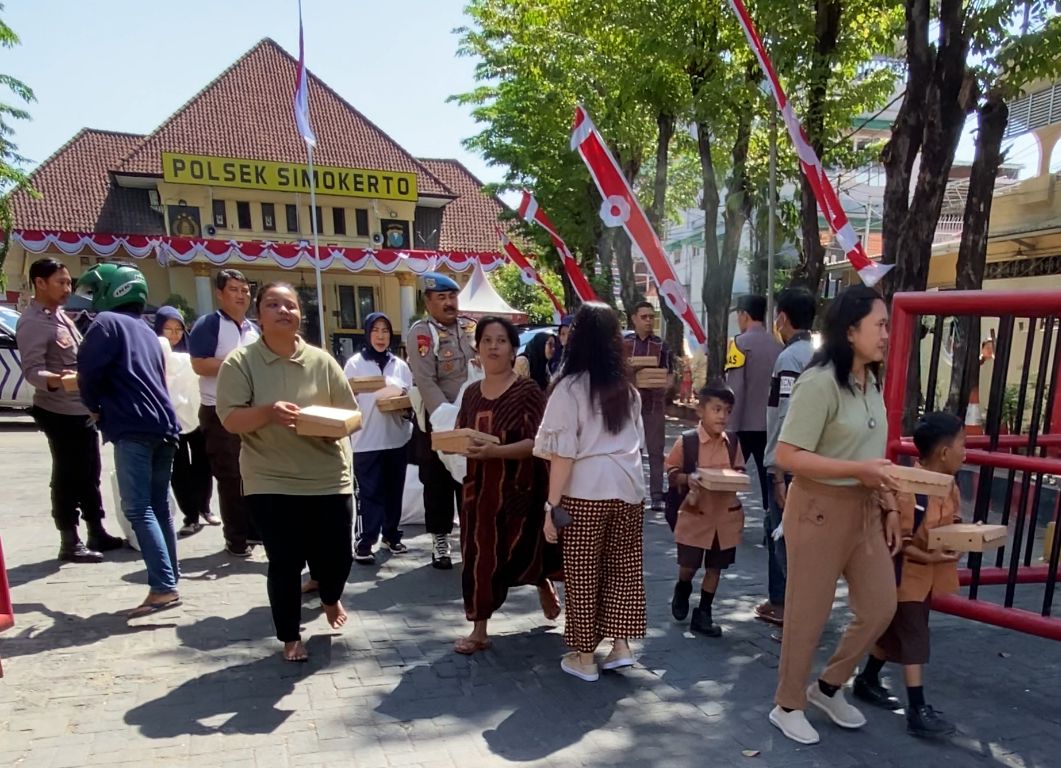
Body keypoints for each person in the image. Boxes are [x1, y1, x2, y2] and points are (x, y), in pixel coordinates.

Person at [767, 285, 902, 746]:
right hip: (819, 508)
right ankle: (787, 705)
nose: (887, 334)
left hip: (864, 509)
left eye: (888, 325)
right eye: (880, 325)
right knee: (808, 614)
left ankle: (827, 686)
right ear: (850, 330)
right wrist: (859, 472)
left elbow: (871, 450)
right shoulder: (819, 381)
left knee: (881, 605)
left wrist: (884, 503)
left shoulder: (871, 381)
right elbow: (787, 454)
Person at [216, 283, 358, 663]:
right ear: (258, 314)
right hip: (271, 479)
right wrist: (268, 412)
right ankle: (290, 635)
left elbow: (350, 414)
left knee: (338, 556)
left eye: (290, 305)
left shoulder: (322, 361)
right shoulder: (241, 362)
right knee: (285, 559)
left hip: (328, 475)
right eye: (273, 304)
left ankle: (330, 596)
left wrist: (325, 424)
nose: (283, 310)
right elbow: (229, 418)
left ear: (300, 314)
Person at [536, 301, 647, 683]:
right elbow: (639, 444)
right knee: (623, 567)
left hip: (586, 490)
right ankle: (620, 646)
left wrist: (552, 506)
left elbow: (562, 454)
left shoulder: (569, 388)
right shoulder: (627, 390)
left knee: (582, 571)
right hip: (629, 488)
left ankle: (584, 656)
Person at [75, 264, 182, 618]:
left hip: (132, 426)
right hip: (164, 425)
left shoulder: (105, 324)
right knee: (158, 506)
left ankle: (164, 586)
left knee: (138, 507)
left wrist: (94, 407)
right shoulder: (148, 332)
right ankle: (169, 579)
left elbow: (88, 372)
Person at [853, 412, 966, 738]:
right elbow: (897, 542)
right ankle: (917, 708)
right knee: (915, 638)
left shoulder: (949, 486)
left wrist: (959, 540)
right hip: (903, 575)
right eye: (962, 444)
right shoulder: (907, 488)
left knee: (893, 633)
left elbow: (954, 521)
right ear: (944, 453)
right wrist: (929, 554)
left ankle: (867, 679)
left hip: (927, 573)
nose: (966, 452)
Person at [454, 316, 561, 655]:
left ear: (514, 349)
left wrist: (497, 451)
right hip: (478, 489)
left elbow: (540, 442)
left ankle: (540, 579)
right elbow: (460, 433)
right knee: (479, 553)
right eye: (487, 340)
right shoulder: (471, 394)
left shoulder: (527, 391)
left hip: (521, 488)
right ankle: (479, 627)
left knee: (524, 547)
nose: (494, 347)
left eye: (501, 341)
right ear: (478, 348)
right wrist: (450, 443)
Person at [15, 258, 123, 562]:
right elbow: (33, 371)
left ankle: (96, 530)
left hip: (81, 410)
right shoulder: (33, 322)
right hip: (59, 411)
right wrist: (62, 382)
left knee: (90, 472)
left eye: (68, 282)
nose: (67, 288)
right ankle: (69, 539)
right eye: (60, 282)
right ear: (40, 283)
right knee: (67, 475)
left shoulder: (60, 316)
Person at [755, 287, 817, 630]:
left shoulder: (790, 359)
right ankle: (781, 601)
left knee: (783, 538)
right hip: (809, 462)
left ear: (782, 317)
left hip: (787, 463)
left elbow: (785, 416)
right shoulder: (818, 355)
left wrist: (778, 471)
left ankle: (788, 608)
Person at [407, 271, 477, 569]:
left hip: (469, 417)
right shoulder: (422, 333)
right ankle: (440, 540)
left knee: (468, 479)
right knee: (437, 483)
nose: (449, 303)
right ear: (428, 301)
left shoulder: (469, 327)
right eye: (442, 298)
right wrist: (445, 417)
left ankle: (469, 538)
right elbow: (425, 378)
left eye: (452, 297)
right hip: (438, 419)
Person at [188, 269, 260, 557]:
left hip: (251, 410)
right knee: (230, 476)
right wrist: (236, 365)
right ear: (219, 293)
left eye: (244, 290)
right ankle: (236, 537)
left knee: (252, 473)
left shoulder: (253, 330)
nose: (241, 296)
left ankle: (254, 530)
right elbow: (199, 364)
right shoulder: (209, 324)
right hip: (219, 411)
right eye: (234, 290)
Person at [665, 381, 745, 638]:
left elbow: (740, 470)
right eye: (717, 409)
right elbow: (672, 472)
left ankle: (704, 613)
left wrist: (737, 477)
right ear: (701, 411)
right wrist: (687, 479)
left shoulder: (732, 442)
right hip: (695, 515)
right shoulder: (687, 442)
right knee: (689, 565)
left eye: (727, 411)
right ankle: (683, 587)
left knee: (715, 568)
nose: (722, 416)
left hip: (724, 518)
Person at [344, 311, 412, 564]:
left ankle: (391, 534)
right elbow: (346, 398)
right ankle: (364, 541)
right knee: (369, 493)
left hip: (396, 438)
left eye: (385, 331)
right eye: (376, 330)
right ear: (367, 333)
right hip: (366, 440)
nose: (381, 336)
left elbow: (410, 399)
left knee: (394, 491)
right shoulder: (354, 364)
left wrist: (404, 405)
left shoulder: (400, 365)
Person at [154, 306, 217, 536]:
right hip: (171, 420)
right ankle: (190, 515)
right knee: (179, 469)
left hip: (195, 415)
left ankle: (205, 508)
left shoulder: (191, 353)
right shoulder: (155, 354)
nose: (174, 334)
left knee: (203, 463)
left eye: (178, 329)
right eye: (168, 329)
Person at [725, 294, 782, 509]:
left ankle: (722, 521)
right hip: (770, 425)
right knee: (769, 479)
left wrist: (729, 428)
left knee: (728, 476)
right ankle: (771, 524)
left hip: (743, 426)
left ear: (744, 315)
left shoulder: (739, 344)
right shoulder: (778, 346)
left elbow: (735, 389)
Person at [624, 301, 673, 511]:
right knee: (628, 450)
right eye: (644, 317)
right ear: (634, 319)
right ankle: (628, 494)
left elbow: (670, 374)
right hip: (626, 406)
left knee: (655, 451)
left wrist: (663, 386)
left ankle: (656, 495)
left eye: (651, 317)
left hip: (654, 404)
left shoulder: (662, 345)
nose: (648, 321)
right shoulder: (623, 344)